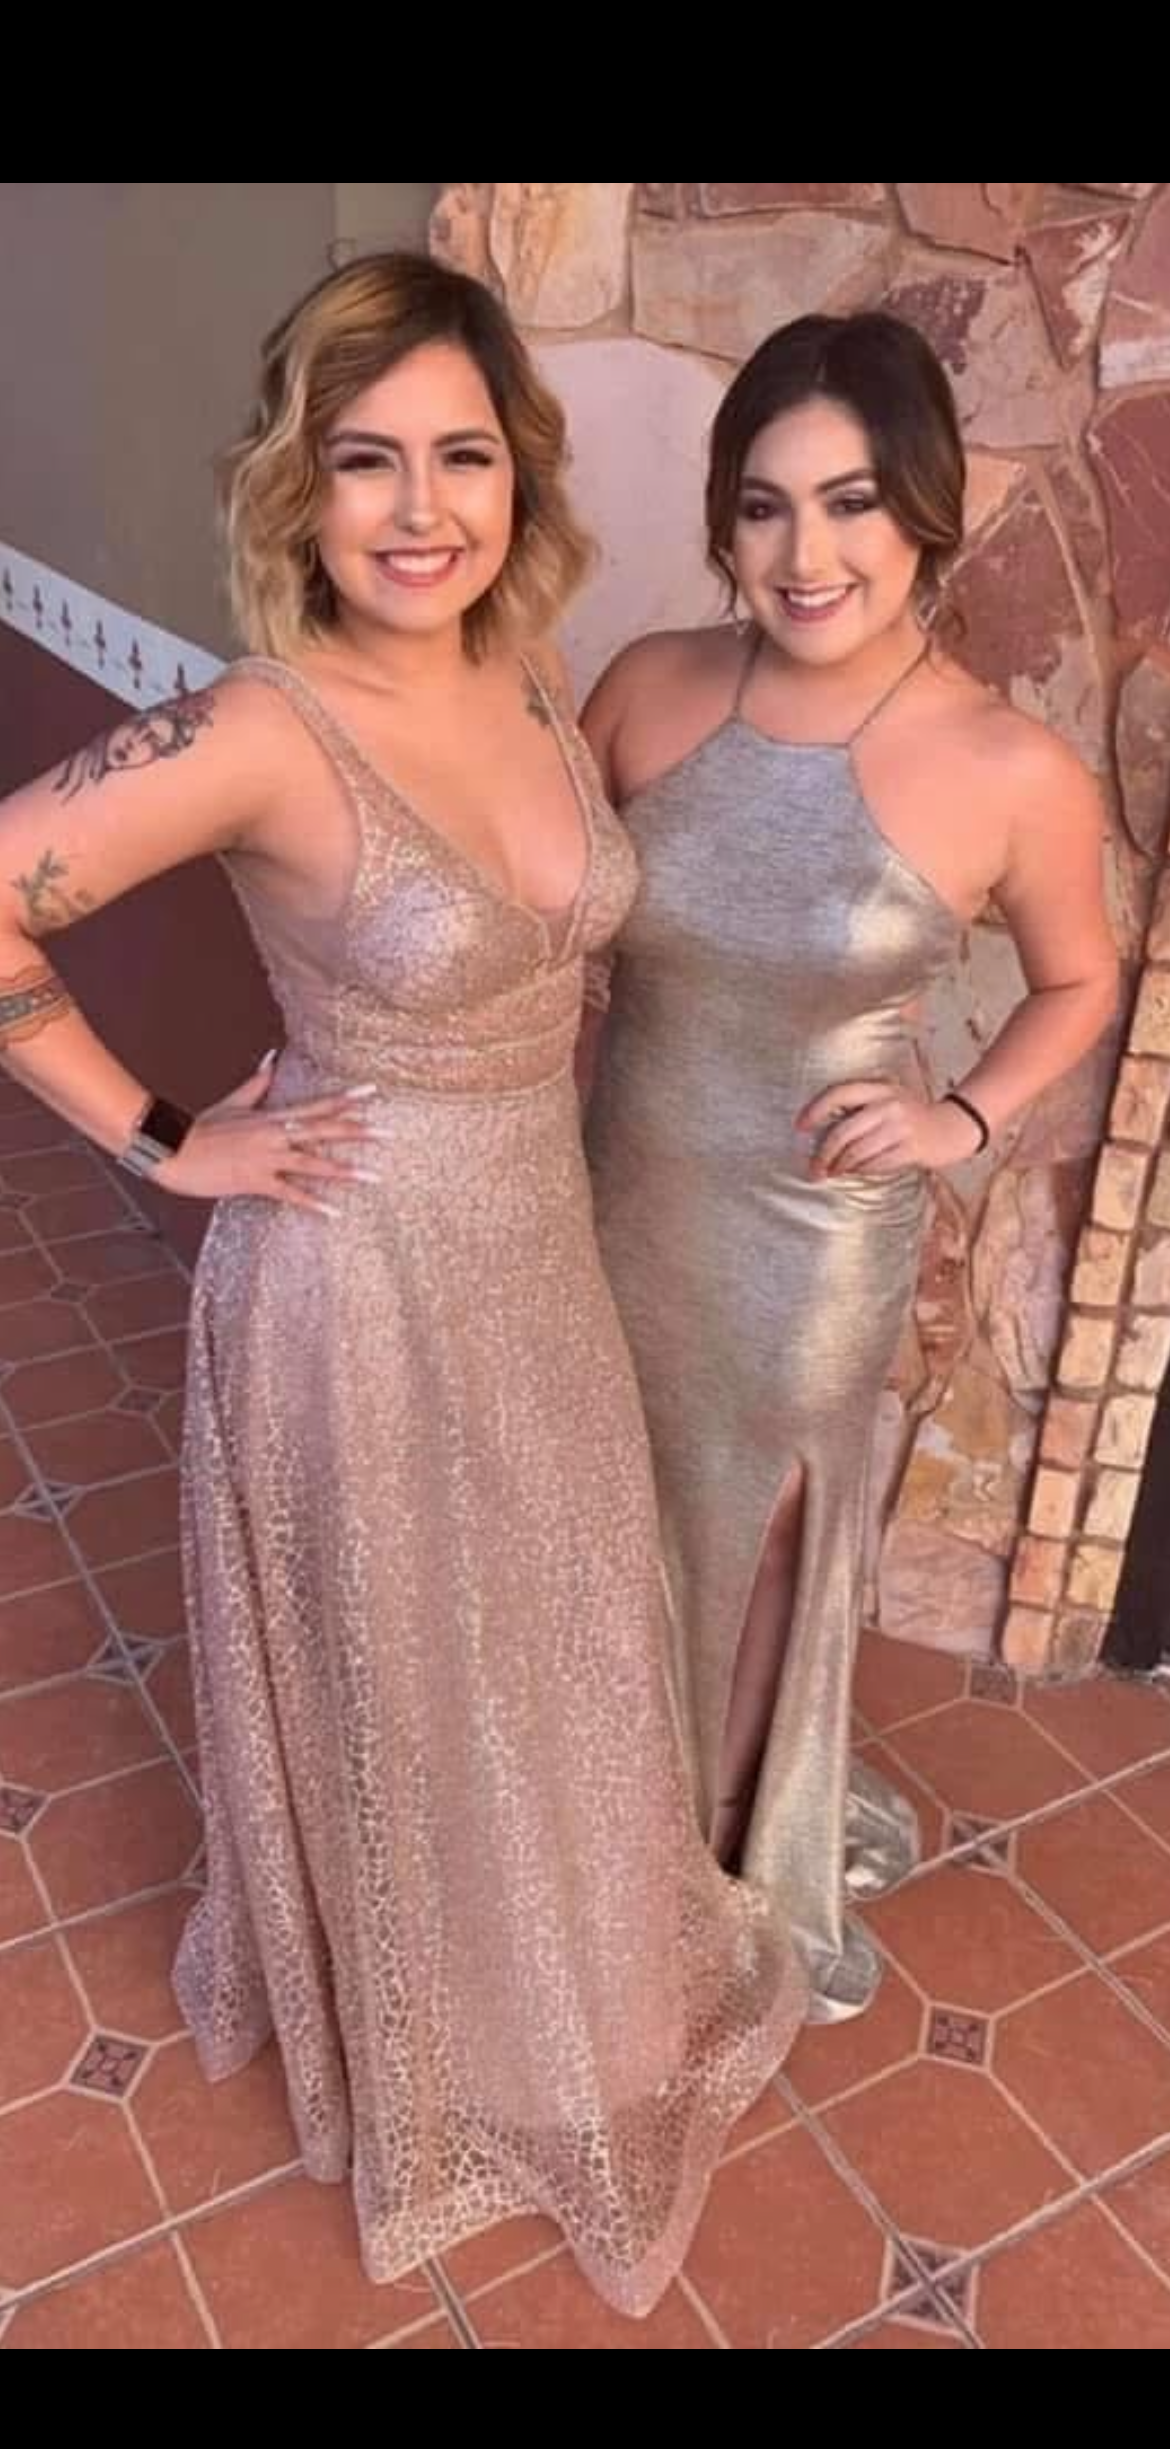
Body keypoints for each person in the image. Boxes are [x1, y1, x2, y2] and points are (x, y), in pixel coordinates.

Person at [0, 252, 807, 2314]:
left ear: (518, 476)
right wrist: (167, 1139)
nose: (420, 508)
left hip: (533, 1250)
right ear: (301, 486)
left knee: (550, 1637)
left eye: (462, 455)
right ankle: (444, 2031)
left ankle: (564, 1979)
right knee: (413, 1672)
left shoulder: (531, 672)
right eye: (367, 461)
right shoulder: (266, 729)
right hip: (351, 1283)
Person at [582, 311, 1117, 2020]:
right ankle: (596, 1823)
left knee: (757, 1536)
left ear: (924, 513)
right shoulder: (648, 685)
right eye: (763, 506)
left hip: (809, 1238)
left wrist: (961, 1118)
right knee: (609, 1512)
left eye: (850, 502)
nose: (803, 554)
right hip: (613, 1190)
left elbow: (1080, 978)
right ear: (725, 524)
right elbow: (542, 912)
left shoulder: (1006, 765)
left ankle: (714, 1868)